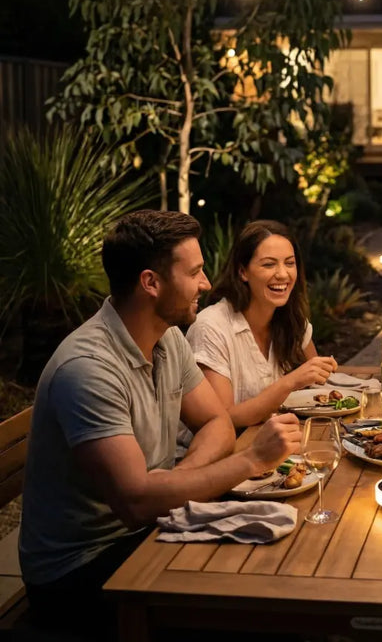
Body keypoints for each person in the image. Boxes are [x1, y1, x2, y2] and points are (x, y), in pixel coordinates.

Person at [19, 211, 301, 639]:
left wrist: (177, 479)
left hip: (148, 527)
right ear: (151, 283)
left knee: (278, 556)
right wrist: (253, 460)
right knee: (255, 601)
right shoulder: (88, 369)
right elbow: (136, 504)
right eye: (194, 272)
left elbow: (217, 423)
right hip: (79, 570)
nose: (206, 283)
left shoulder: (166, 337)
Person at [185, 220, 336, 430]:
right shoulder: (211, 327)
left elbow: (320, 390)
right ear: (243, 272)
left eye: (289, 263)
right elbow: (222, 420)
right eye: (268, 264)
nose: (282, 274)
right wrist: (289, 383)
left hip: (274, 439)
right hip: (224, 447)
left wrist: (321, 372)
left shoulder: (292, 320)